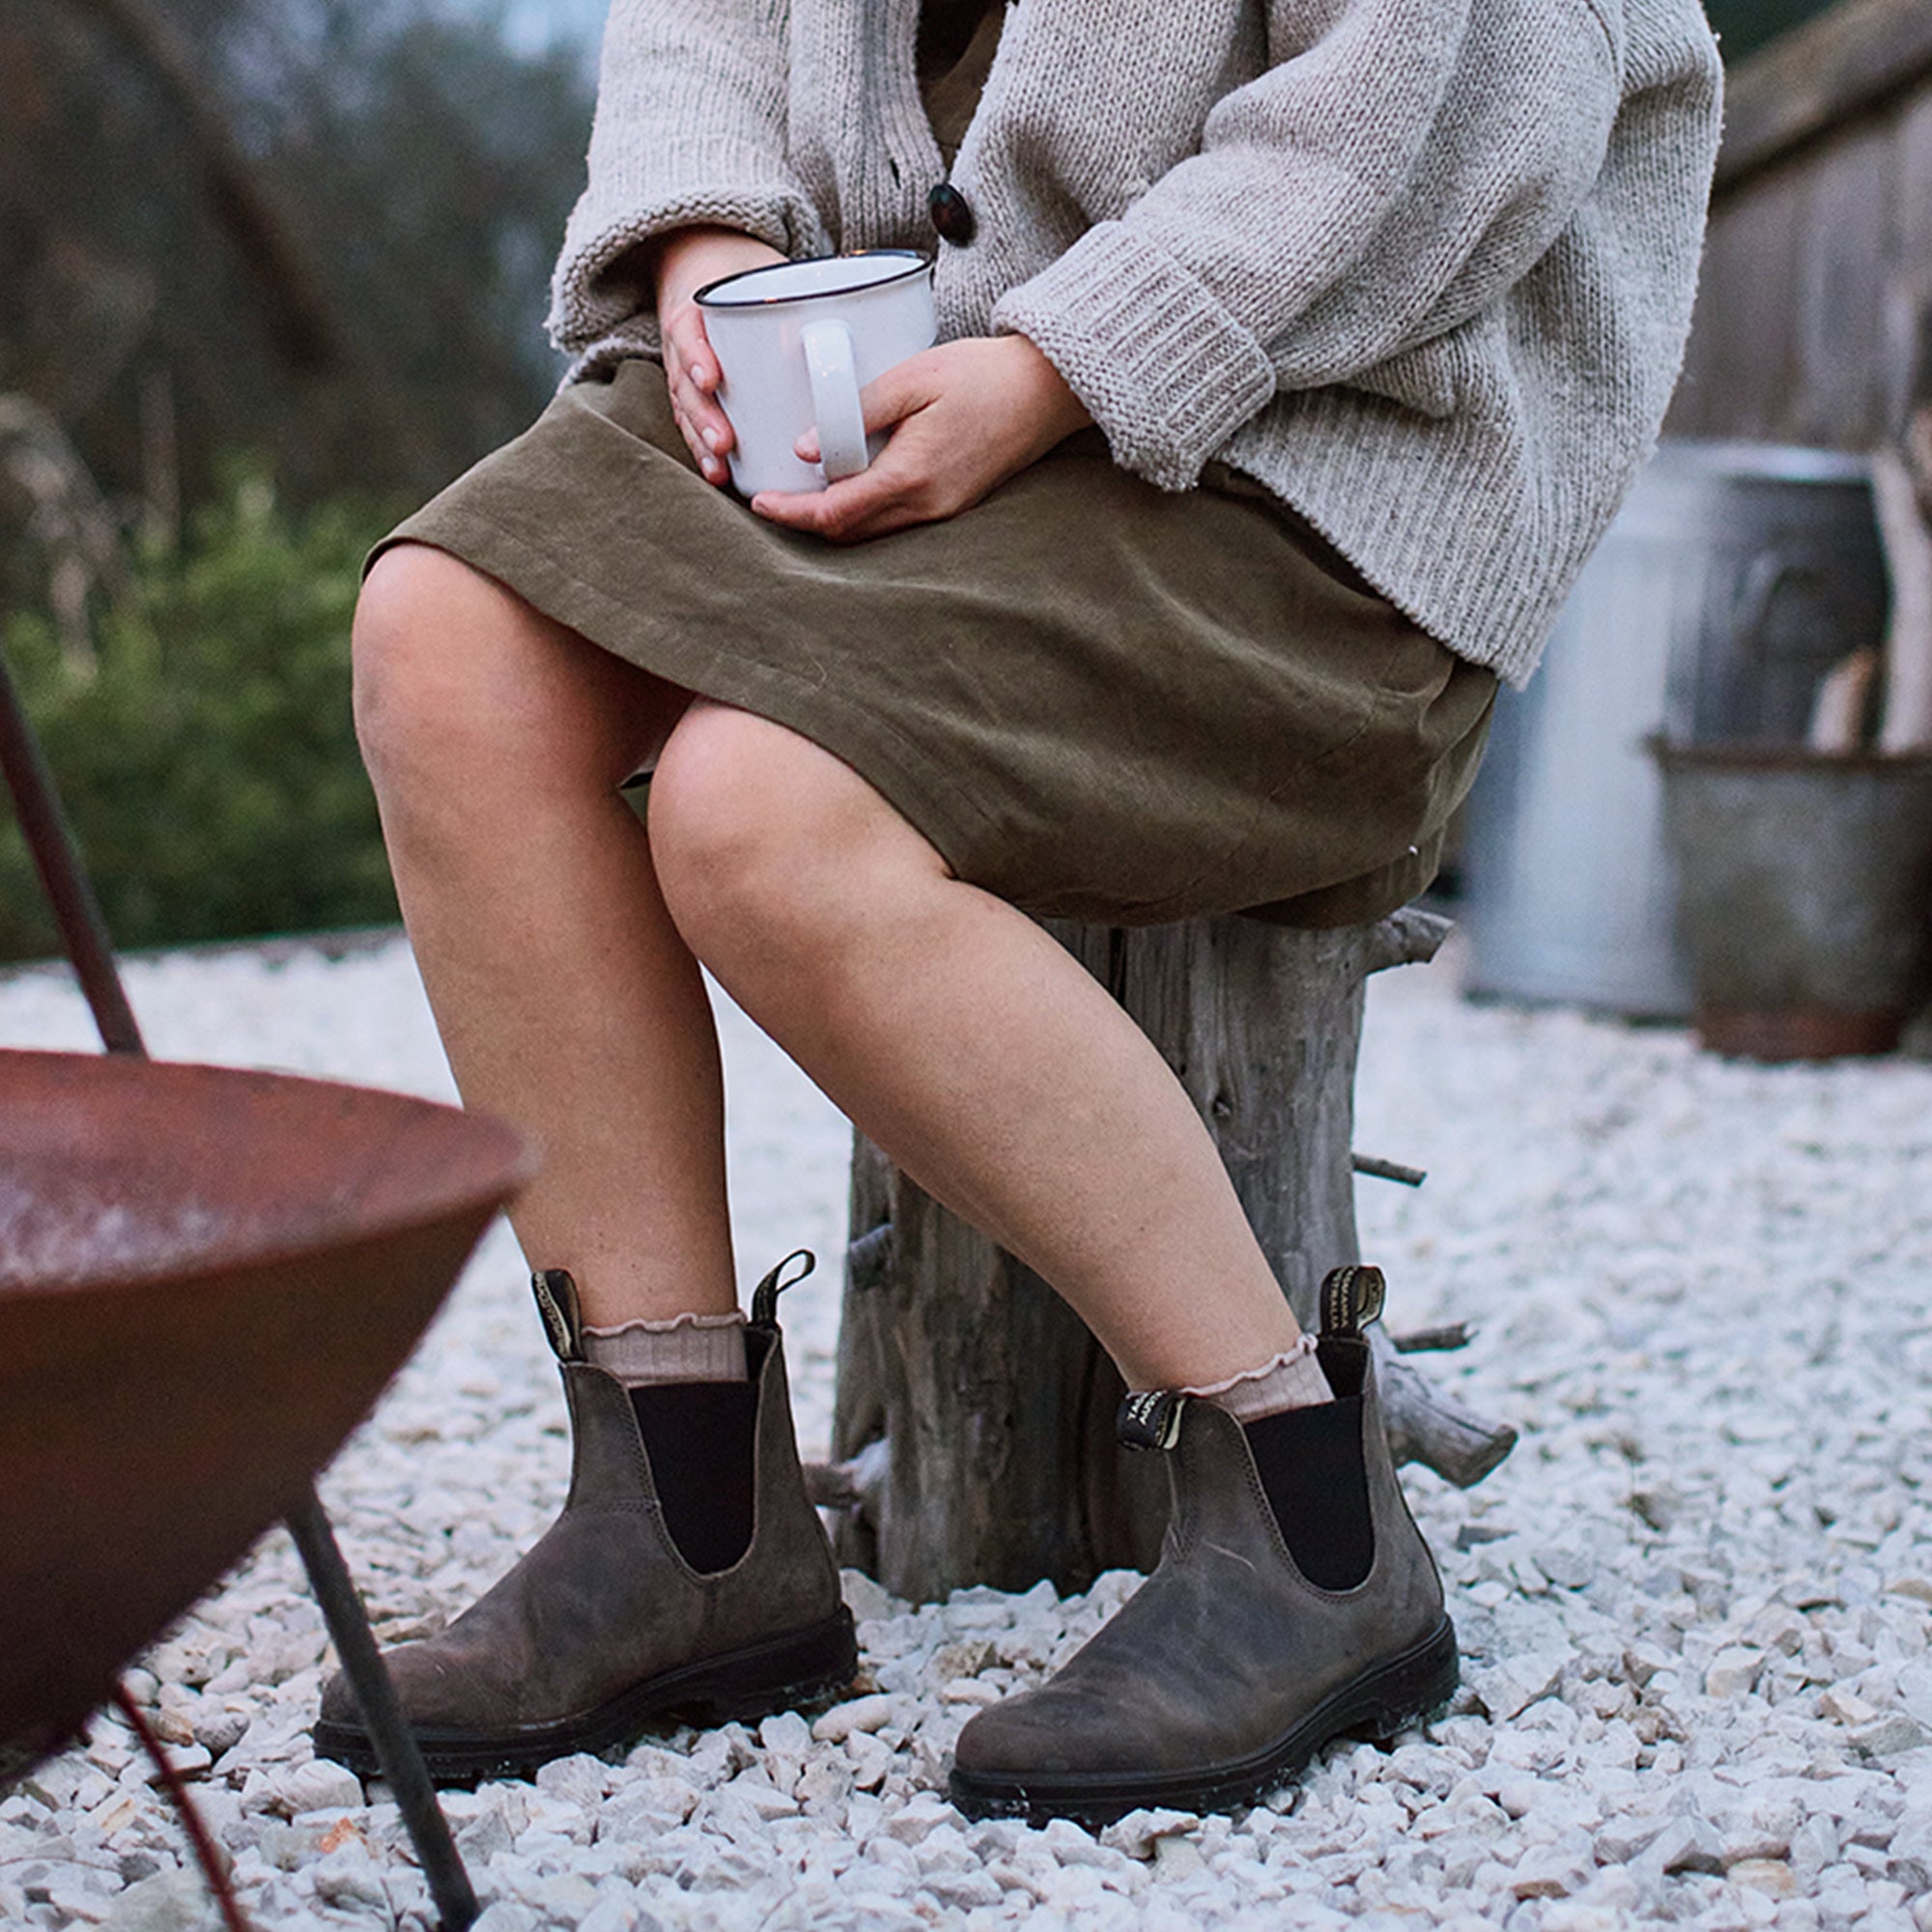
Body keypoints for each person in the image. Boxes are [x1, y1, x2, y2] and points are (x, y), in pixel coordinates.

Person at [313, 0, 1722, 1821]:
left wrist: (1067, 363)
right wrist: (704, 234)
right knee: (449, 639)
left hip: (1313, 461)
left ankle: (1308, 1518)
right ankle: (688, 1520)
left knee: (763, 808)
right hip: (890, 374)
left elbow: (1445, 117)